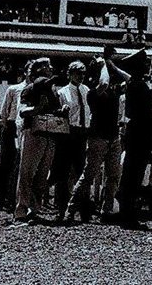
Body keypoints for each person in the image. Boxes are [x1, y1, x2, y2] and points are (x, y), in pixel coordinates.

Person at [67, 55, 124, 222]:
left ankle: (106, 210)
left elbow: (128, 80)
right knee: (88, 175)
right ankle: (72, 207)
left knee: (113, 176)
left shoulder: (113, 91)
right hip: (98, 137)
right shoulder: (92, 93)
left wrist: (111, 65)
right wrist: (104, 64)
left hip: (113, 137)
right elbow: (104, 83)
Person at [14, 58, 67, 224]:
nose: (50, 68)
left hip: (50, 133)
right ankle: (21, 210)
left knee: (42, 175)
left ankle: (34, 209)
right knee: (27, 173)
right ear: (39, 69)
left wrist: (61, 110)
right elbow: (22, 111)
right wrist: (37, 109)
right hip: (33, 132)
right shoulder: (30, 88)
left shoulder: (53, 91)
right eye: (47, 66)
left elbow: (54, 110)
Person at [115, 49, 152, 229]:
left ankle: (127, 211)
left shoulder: (135, 84)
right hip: (141, 133)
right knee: (134, 174)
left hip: (137, 132)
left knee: (132, 173)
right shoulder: (139, 86)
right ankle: (127, 214)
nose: (147, 65)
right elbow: (143, 113)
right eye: (145, 63)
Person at [53, 61, 91, 223]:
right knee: (63, 172)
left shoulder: (86, 90)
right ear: (69, 74)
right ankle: (61, 209)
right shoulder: (63, 93)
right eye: (77, 73)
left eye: (83, 73)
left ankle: (83, 211)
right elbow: (55, 113)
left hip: (83, 132)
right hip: (68, 133)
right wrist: (62, 111)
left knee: (83, 171)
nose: (81, 76)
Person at [0, 61, 32, 211]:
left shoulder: (38, 90)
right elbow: (4, 111)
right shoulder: (14, 89)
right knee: (7, 164)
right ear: (25, 72)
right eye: (30, 70)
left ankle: (18, 199)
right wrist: (9, 129)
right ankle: (2, 199)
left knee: (22, 165)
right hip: (12, 127)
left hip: (28, 127)